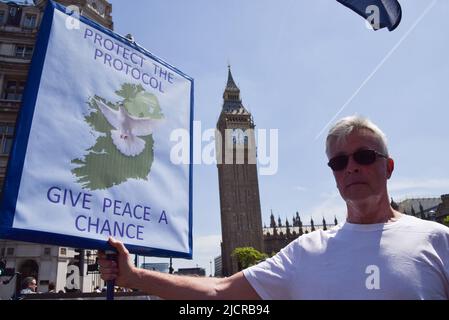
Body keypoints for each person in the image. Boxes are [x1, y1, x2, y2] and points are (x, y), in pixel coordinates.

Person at [98, 115, 449, 299]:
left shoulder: (439, 241)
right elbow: (219, 292)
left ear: (388, 166)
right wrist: (134, 276)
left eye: (364, 156)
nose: (351, 167)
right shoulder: (305, 252)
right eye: (339, 162)